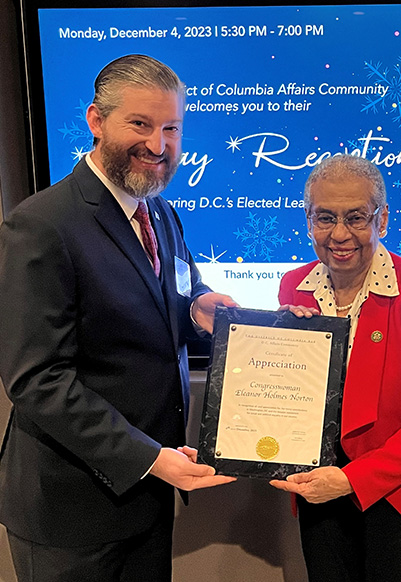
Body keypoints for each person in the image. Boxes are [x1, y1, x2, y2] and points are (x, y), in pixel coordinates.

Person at [0, 54, 236, 582]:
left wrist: (198, 305)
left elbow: (165, 295)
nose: (158, 145)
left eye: (171, 127)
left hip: (145, 496)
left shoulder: (160, 211)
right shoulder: (41, 225)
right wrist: (150, 458)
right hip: (72, 512)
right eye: (140, 124)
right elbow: (37, 379)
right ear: (95, 121)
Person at [268, 155, 401, 582]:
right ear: (308, 221)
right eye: (325, 218)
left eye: (356, 217)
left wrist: (352, 480)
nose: (340, 234)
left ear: (382, 220)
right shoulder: (293, 288)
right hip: (322, 485)